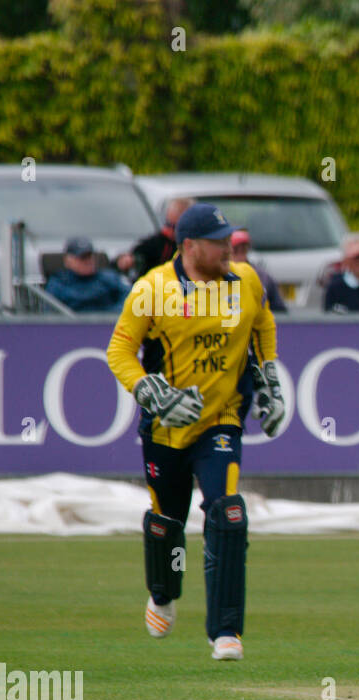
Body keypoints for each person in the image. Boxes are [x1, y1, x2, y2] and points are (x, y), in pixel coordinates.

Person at [106, 203, 286, 662]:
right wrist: (150, 390)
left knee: (228, 513)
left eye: (230, 239)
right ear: (189, 247)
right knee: (168, 523)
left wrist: (268, 378)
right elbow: (120, 352)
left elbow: (262, 323)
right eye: (218, 241)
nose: (229, 248)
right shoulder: (151, 289)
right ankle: (162, 593)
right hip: (167, 428)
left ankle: (225, 632)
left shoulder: (247, 281)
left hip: (221, 419)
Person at [45, 237, 131, 312]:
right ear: (68, 261)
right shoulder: (59, 283)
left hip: (108, 326)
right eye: (82, 257)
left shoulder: (109, 278)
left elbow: (130, 297)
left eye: (89, 256)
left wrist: (112, 315)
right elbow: (51, 311)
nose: (87, 261)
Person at [121, 197, 193, 278]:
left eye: (175, 227)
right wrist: (129, 259)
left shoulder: (193, 248)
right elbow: (137, 254)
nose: (169, 230)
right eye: (168, 224)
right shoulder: (158, 242)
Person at [230, 229, 288, 313]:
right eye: (235, 250)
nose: (240, 255)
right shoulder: (218, 276)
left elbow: (279, 309)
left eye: (243, 250)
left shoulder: (262, 276)